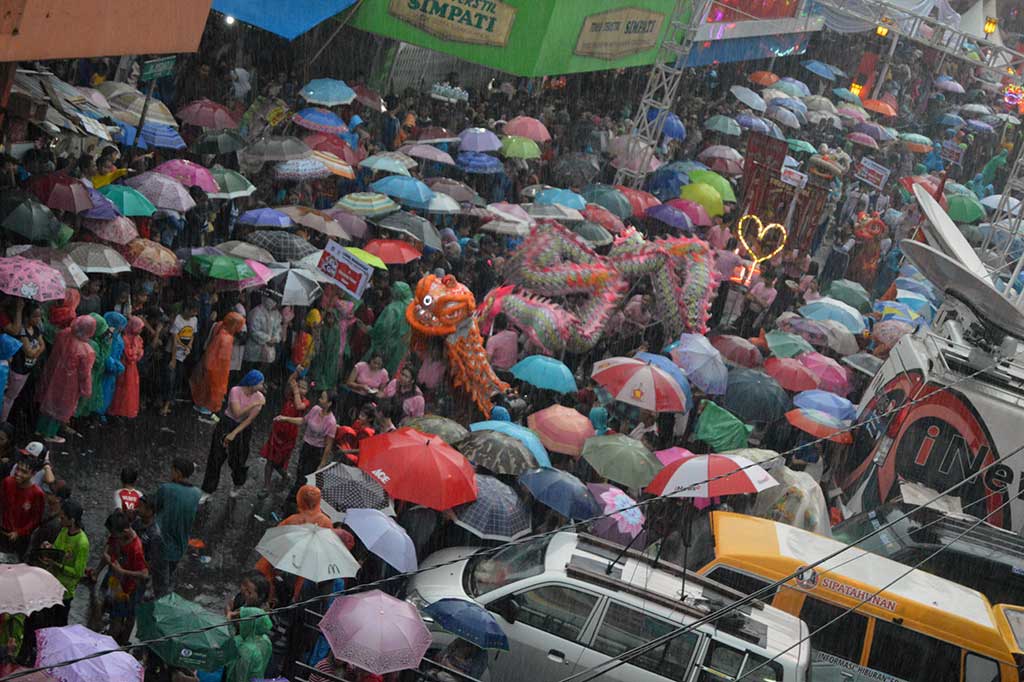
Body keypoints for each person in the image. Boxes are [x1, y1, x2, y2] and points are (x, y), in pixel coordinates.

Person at [200, 369, 266, 502]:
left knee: (238, 460)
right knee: (216, 456)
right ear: (252, 383)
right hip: (227, 423)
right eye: (260, 383)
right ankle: (208, 489)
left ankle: (238, 483)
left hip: (243, 429)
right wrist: (253, 404)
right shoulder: (236, 391)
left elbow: (248, 420)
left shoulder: (260, 398)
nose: (262, 387)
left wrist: (234, 433)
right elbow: (236, 413)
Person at [35, 314, 96, 444]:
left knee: (48, 403)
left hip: (53, 374)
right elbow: (85, 374)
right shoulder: (87, 350)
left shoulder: (63, 334)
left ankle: (39, 429)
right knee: (60, 409)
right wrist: (86, 390)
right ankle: (50, 434)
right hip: (69, 385)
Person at [96, 510, 147, 645]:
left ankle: (114, 645)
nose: (113, 537)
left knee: (120, 617)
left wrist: (122, 571)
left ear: (125, 532)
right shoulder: (116, 534)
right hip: (114, 581)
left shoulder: (136, 548)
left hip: (128, 588)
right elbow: (108, 551)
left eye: (115, 535)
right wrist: (98, 571)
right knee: (107, 607)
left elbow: (144, 574)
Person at [275, 390, 337, 499]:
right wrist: (285, 418)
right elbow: (303, 421)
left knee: (303, 478)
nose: (319, 399)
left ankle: (292, 500)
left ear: (329, 403)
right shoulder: (315, 409)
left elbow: (328, 445)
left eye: (322, 398)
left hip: (316, 451)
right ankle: (297, 498)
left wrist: (322, 464)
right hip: (306, 446)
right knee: (299, 472)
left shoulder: (331, 422)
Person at [259, 372, 310, 496]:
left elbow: (299, 406)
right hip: (277, 432)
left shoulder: (306, 402)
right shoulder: (289, 395)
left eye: (303, 388)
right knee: (270, 460)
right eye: (299, 386)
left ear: (307, 391)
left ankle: (285, 475)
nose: (299, 389)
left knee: (278, 462)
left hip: (289, 437)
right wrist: (297, 372)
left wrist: (296, 390)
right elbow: (290, 380)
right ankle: (266, 486)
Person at [40, 498, 88, 626]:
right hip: (52, 585)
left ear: (72, 520)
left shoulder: (82, 542)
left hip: (65, 592)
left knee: (59, 623)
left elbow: (78, 572)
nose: (60, 520)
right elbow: (57, 550)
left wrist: (56, 564)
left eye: (62, 518)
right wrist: (49, 548)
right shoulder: (64, 530)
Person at [155, 458, 201, 584]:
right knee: (168, 573)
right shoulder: (197, 493)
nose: (171, 473)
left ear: (178, 473)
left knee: (155, 571)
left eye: (173, 470)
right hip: (180, 544)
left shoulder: (166, 489)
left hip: (161, 541)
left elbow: (155, 507)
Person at [190, 311, 245, 417]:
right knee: (214, 389)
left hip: (209, 365)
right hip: (217, 368)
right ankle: (207, 407)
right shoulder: (227, 338)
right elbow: (223, 359)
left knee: (204, 386)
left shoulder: (220, 326)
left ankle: (200, 404)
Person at [3, 302, 44, 422]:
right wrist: (37, 350)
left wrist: (35, 351)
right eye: (35, 316)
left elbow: (43, 346)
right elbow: (29, 352)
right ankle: (3, 421)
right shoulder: (22, 331)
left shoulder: (35, 329)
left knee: (13, 396)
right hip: (18, 369)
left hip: (27, 369)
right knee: (9, 397)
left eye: (40, 316)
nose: (38, 319)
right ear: (26, 317)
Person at [0, 457, 45, 557]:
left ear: (33, 474)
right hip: (3, 531)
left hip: (21, 538)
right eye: (17, 469)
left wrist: (19, 532)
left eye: (24, 472)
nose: (18, 474)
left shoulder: (37, 493)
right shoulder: (7, 482)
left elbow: (36, 520)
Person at [365, 281, 412, 375]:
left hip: (386, 346)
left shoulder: (392, 309)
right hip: (401, 348)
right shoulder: (411, 310)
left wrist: (370, 331)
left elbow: (383, 328)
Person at [161, 301, 198, 417]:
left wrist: (190, 346)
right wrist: (173, 359)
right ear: (186, 309)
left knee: (177, 379)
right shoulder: (177, 320)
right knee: (169, 380)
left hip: (183, 355)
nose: (195, 313)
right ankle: (165, 405)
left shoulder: (194, 320)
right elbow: (174, 340)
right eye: (193, 311)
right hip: (172, 353)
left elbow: (192, 334)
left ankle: (169, 402)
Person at [74, 313, 112, 418]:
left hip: (79, 375)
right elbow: (100, 361)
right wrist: (106, 345)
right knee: (81, 400)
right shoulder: (92, 344)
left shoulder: (81, 338)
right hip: (87, 376)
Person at [109, 316, 144, 418]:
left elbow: (139, 352)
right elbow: (130, 355)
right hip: (125, 367)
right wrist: (137, 353)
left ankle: (126, 410)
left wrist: (137, 353)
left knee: (130, 389)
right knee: (122, 388)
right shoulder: (124, 339)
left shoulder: (137, 339)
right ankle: (118, 410)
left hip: (132, 369)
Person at [133, 495, 167, 599]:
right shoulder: (137, 523)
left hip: (141, 574)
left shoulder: (155, 534)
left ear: (150, 511)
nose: (137, 509)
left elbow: (154, 562)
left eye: (141, 507)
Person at [244, 296, 283, 375]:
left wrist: (275, 338)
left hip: (268, 350)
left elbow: (278, 329)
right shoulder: (256, 312)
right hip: (254, 349)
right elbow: (253, 330)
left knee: (262, 372)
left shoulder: (276, 314)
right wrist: (268, 339)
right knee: (251, 372)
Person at [343, 354, 388, 418]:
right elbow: (349, 382)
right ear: (370, 360)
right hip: (355, 394)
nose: (376, 366)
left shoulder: (384, 373)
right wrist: (360, 386)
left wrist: (377, 393)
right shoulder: (360, 366)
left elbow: (381, 391)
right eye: (374, 362)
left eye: (379, 364)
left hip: (370, 398)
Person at [307, 308, 340, 391]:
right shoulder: (322, 327)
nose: (330, 320)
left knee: (328, 374)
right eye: (328, 317)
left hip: (331, 357)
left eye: (332, 317)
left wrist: (331, 353)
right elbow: (318, 339)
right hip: (320, 355)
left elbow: (336, 344)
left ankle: (325, 389)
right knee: (317, 374)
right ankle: (314, 386)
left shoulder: (336, 330)